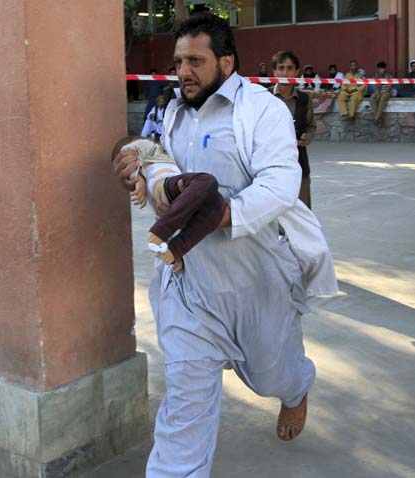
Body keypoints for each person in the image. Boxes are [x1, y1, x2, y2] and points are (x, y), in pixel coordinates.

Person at [113, 12, 337, 478]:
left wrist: (223, 212)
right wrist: (141, 165)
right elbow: (157, 159)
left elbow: (280, 182)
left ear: (227, 62)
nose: (183, 72)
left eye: (196, 60)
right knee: (184, 403)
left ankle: (296, 389)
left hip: (256, 281)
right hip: (189, 287)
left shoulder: (261, 109)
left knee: (271, 374)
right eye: (179, 61)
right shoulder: (172, 112)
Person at [114, 137, 226, 273]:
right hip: (167, 185)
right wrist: (138, 178)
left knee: (217, 209)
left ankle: (174, 251)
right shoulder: (142, 147)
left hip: (176, 194)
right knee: (206, 181)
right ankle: (159, 232)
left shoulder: (154, 155)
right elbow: (127, 157)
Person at [271, 51, 316, 209]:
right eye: (281, 68)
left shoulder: (305, 99)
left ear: (296, 72)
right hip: (270, 165)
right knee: (272, 215)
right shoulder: (264, 97)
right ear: (274, 71)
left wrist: (308, 137)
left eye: (290, 68)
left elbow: (311, 126)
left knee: (302, 213)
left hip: (299, 163)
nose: (285, 73)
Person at [369, 61, 393, 125]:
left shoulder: (389, 75)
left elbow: (389, 86)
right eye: (380, 68)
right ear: (378, 69)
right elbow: (376, 86)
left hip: (387, 91)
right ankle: (379, 118)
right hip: (379, 91)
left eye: (382, 68)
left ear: (385, 68)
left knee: (383, 98)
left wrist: (381, 94)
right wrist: (378, 93)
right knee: (372, 98)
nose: (381, 70)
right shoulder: (376, 75)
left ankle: (376, 118)